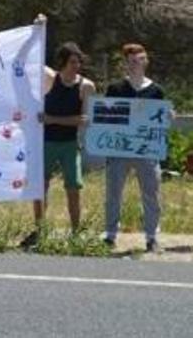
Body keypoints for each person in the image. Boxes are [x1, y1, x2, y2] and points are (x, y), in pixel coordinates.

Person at [22, 19, 96, 247]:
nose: (77, 66)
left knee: (73, 188)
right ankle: (39, 229)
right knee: (39, 186)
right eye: (73, 62)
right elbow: (25, 60)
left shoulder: (86, 86)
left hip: (69, 144)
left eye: (79, 62)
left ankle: (76, 232)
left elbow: (83, 120)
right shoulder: (49, 78)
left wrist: (53, 119)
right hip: (45, 142)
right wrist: (37, 29)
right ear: (63, 62)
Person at [103, 43, 168, 253]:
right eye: (132, 61)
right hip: (120, 149)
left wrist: (168, 117)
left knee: (151, 193)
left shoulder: (156, 91)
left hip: (146, 151)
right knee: (114, 192)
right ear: (126, 63)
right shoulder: (115, 89)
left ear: (146, 61)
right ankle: (110, 235)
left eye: (140, 60)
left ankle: (151, 237)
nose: (136, 64)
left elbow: (160, 120)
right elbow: (107, 117)